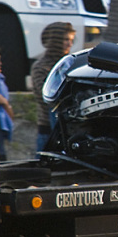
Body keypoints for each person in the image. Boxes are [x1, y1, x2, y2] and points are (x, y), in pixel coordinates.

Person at [31, 22, 76, 151]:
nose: (69, 44)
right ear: (54, 41)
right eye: (66, 39)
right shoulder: (40, 66)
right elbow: (46, 96)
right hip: (48, 132)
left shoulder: (69, 65)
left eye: (71, 40)